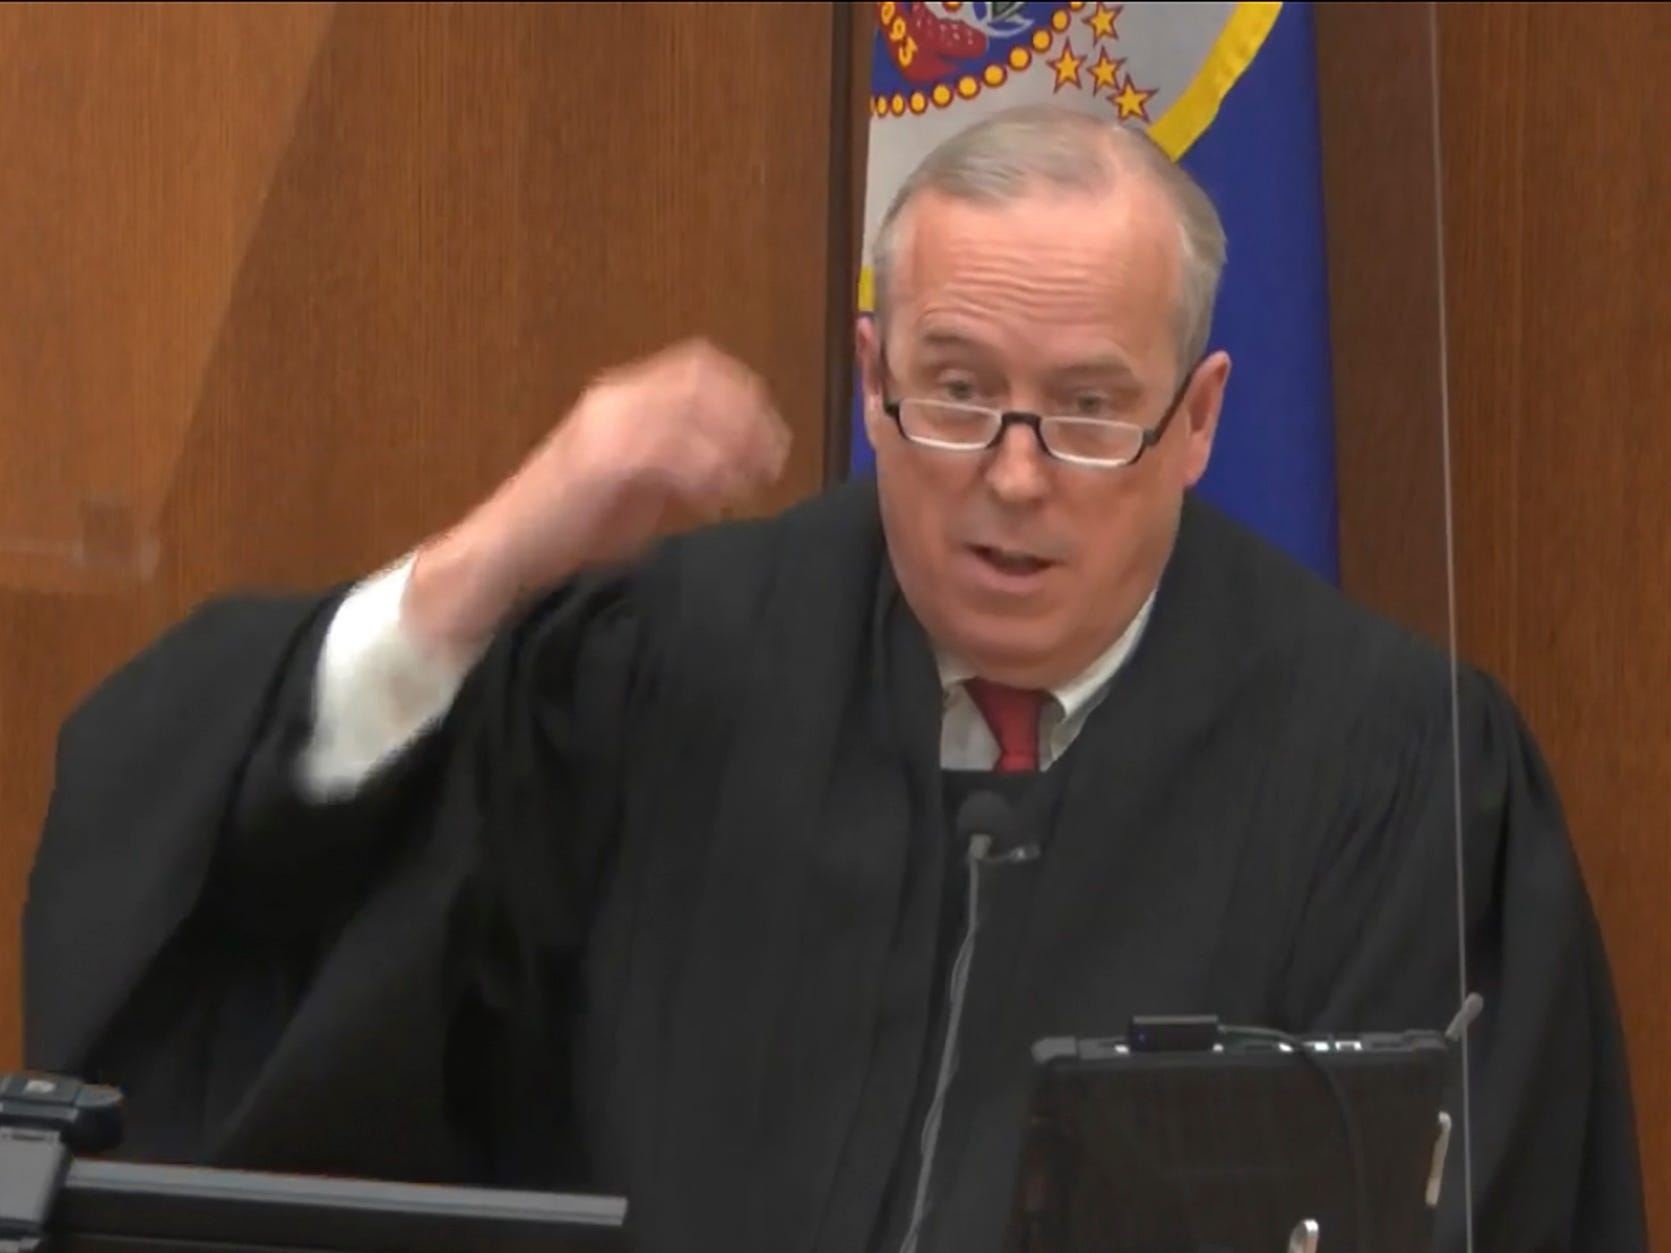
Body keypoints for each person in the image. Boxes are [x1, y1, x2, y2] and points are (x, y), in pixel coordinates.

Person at [22, 104, 1645, 1253]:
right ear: (869, 378)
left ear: (1202, 418)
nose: (1015, 477)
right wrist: (496, 563)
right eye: (955, 390)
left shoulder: (1396, 771)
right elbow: (241, 881)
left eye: (1090, 409)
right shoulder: (664, 669)